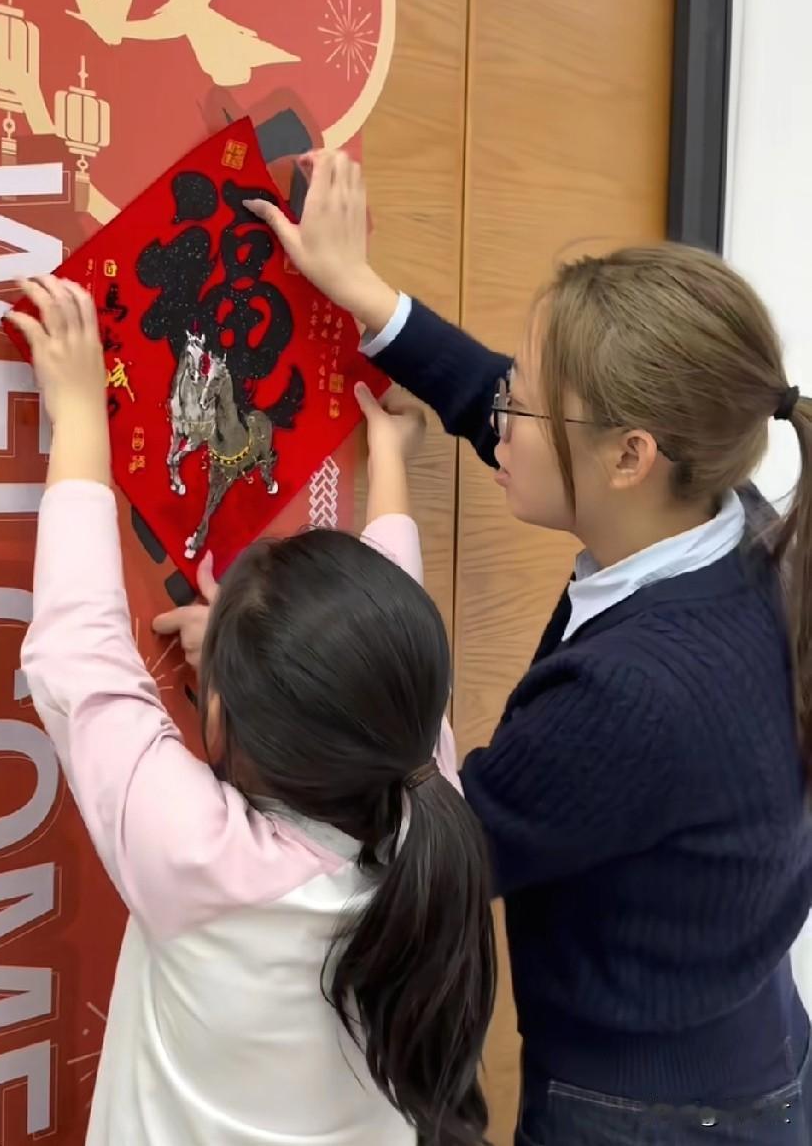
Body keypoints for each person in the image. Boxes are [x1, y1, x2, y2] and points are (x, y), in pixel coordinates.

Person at [169, 153, 812, 1144]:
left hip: (650, 1114)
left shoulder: (637, 693)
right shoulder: (726, 515)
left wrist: (267, 653)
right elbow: (513, 417)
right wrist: (366, 297)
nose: (498, 408)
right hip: (732, 1033)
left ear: (631, 455)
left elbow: (431, 843)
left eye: (526, 396)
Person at [6, 276, 497, 1146]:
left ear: (220, 716)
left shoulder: (202, 856)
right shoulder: (423, 793)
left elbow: (80, 652)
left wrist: (78, 412)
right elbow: (383, 639)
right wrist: (387, 460)